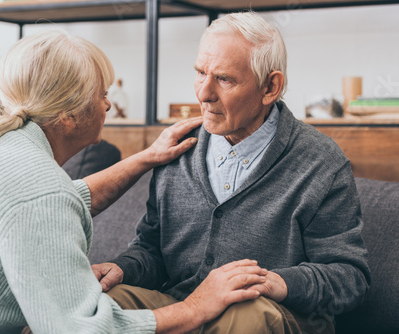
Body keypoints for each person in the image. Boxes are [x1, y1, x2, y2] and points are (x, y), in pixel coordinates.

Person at [0, 30, 269, 334]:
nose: (108, 105)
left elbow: (62, 200)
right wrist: (196, 307)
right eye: (101, 94)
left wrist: (144, 157)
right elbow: (83, 330)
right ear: (68, 117)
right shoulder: (36, 188)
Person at [93, 12, 371, 333]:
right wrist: (121, 268)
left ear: (270, 87)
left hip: (273, 313)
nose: (203, 93)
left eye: (224, 79)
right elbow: (152, 250)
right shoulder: (178, 147)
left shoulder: (320, 160)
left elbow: (351, 278)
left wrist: (278, 282)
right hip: (182, 305)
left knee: (246, 311)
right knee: (101, 302)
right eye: (200, 73)